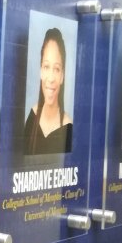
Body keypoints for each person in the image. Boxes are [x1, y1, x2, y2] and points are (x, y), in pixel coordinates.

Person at [23, 27, 72, 155]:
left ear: (62, 76)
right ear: (40, 71)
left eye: (56, 69)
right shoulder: (32, 117)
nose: (50, 78)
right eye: (46, 67)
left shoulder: (68, 127)